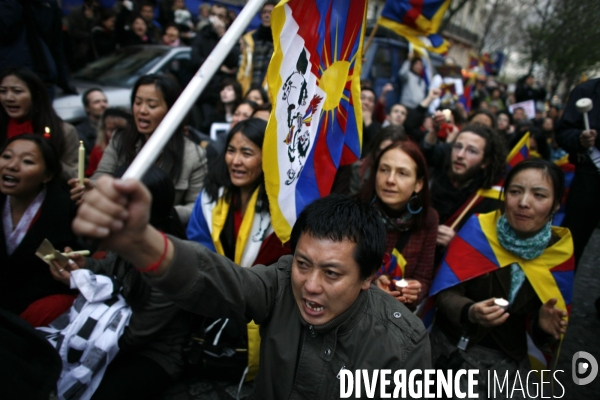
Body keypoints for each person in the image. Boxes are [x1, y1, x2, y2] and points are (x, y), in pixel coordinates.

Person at [72, 182, 431, 398]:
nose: (310, 285)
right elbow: (222, 282)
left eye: (332, 273)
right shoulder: (280, 282)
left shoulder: (404, 342)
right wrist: (141, 243)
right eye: (303, 264)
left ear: (368, 275)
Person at [429, 159, 572, 398]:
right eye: (515, 191)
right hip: (451, 350)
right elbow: (445, 292)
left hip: (508, 364)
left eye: (539, 195)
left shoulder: (559, 253)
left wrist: (544, 329)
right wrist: (470, 311)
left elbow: (542, 332)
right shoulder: (478, 230)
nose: (524, 203)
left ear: (556, 204)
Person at [49, 165, 191, 400]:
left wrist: (82, 341)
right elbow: (110, 268)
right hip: (111, 328)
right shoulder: (126, 233)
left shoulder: (169, 263)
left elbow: (133, 335)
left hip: (153, 353)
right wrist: (82, 267)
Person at [72, 74, 208, 223]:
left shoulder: (193, 155)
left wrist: (155, 212)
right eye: (137, 102)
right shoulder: (120, 139)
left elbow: (195, 207)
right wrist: (92, 190)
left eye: (152, 105)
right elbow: (102, 177)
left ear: (172, 110)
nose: (142, 110)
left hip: (164, 235)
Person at [0, 135, 82, 327]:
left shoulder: (67, 209)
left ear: (47, 175)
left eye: (27, 161)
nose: (11, 166)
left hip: (40, 309)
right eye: (6, 156)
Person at [359, 140, 438, 308]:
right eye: (384, 170)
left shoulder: (428, 220)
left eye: (402, 173)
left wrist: (413, 291)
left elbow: (423, 279)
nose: (390, 180)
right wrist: (372, 284)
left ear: (418, 184)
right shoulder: (356, 211)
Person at [424, 124, 507, 247]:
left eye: (472, 151)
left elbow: (489, 250)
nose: (460, 155)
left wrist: (457, 242)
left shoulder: (490, 201)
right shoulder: (435, 180)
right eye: (458, 147)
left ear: (485, 162)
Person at [0, 67, 79, 181]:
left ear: (35, 95)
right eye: (2, 91)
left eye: (17, 91)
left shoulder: (64, 131)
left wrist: (48, 160)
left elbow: (74, 177)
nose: (8, 98)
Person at [555, 78, 600, 267]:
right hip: (589, 178)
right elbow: (563, 133)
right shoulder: (587, 90)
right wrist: (579, 139)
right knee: (572, 242)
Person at [237, 1, 276, 94]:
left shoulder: (283, 41)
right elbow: (242, 66)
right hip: (247, 90)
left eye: (271, 12)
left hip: (268, 94)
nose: (267, 15)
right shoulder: (249, 38)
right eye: (264, 12)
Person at [85, 108, 131, 177]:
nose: (114, 134)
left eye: (119, 130)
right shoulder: (97, 150)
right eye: (110, 129)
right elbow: (91, 175)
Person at [76, 88, 109, 155]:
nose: (103, 105)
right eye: (97, 102)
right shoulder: (80, 133)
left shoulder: (115, 129)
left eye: (105, 101)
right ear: (87, 108)